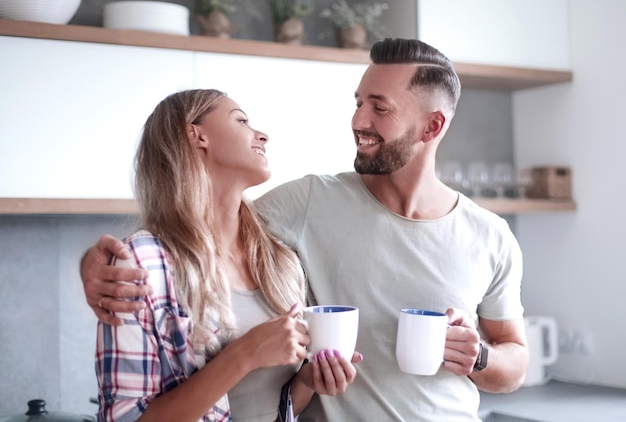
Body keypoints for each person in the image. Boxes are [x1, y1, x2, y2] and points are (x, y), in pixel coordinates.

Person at [81, 39, 528, 421]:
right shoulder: (310, 201)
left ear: (432, 125)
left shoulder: (490, 236)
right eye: (358, 102)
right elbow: (199, 227)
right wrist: (97, 265)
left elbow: (516, 361)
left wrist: (480, 357)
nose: (358, 121)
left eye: (380, 107)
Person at [92, 89, 359, 422]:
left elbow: (266, 406)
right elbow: (126, 417)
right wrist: (244, 354)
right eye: (242, 121)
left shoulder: (279, 263)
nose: (262, 134)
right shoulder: (144, 263)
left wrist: (308, 382)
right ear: (197, 134)